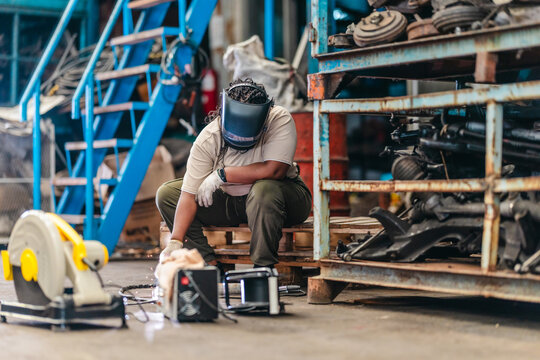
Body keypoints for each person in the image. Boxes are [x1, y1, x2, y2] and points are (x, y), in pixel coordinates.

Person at [156, 78, 312, 268]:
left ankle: (262, 271)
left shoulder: (278, 119)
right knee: (168, 194)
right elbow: (188, 196)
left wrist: (222, 174)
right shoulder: (209, 138)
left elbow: (275, 170)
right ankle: (209, 265)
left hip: (282, 201)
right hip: (231, 202)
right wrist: (176, 241)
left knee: (264, 190)